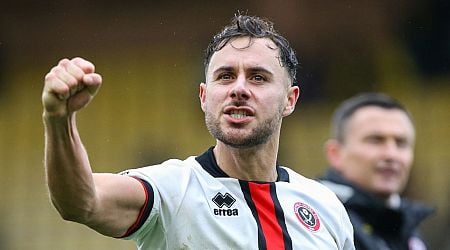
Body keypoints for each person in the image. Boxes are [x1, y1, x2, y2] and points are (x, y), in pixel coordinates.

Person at [42, 14, 354, 249]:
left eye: (258, 77)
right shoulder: (172, 191)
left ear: (290, 99)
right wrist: (59, 120)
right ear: (205, 97)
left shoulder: (324, 206)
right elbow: (80, 202)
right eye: (226, 76)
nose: (239, 89)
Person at [319, 92, 435, 250]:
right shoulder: (316, 217)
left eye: (401, 143)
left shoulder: (406, 225)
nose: (391, 155)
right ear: (336, 154)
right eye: (375, 140)